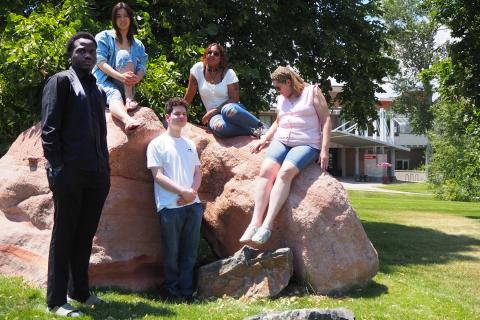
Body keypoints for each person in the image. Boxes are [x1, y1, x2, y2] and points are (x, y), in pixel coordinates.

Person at [41, 31, 110, 317]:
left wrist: (104, 168)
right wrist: (58, 167)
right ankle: (56, 300)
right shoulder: (60, 81)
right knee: (65, 233)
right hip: (69, 172)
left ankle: (80, 291)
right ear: (71, 54)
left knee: (85, 235)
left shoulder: (96, 88)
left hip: (96, 174)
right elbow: (49, 129)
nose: (87, 55)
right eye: (81, 50)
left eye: (92, 51)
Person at [239, 66, 332, 245]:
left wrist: (325, 149)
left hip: (306, 142)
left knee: (285, 173)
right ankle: (254, 223)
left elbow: (326, 120)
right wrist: (264, 139)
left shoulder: (313, 92)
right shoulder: (281, 98)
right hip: (282, 140)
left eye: (278, 87)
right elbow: (278, 121)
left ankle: (267, 225)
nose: (277, 91)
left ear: (288, 82)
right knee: (266, 170)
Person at [146, 97, 203, 301]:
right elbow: (158, 176)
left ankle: (187, 293)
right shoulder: (156, 144)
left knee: (190, 253)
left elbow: (198, 172)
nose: (181, 117)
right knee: (171, 254)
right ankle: (171, 292)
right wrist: (183, 192)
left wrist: (192, 194)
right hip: (170, 206)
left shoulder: (189, 144)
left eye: (184, 114)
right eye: (177, 113)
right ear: (167, 117)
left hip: (193, 206)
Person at [184, 43, 264, 138]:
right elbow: (190, 94)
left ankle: (261, 128)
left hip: (231, 109)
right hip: (214, 118)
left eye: (216, 53)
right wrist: (179, 113)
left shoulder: (229, 73)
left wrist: (214, 111)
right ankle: (250, 131)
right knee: (220, 127)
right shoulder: (198, 69)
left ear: (221, 58)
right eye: (209, 52)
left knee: (229, 110)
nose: (212, 55)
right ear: (205, 55)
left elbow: (234, 99)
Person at [93, 2, 148, 131]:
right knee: (114, 93)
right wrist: (120, 76)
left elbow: (142, 66)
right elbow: (100, 62)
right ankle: (127, 120)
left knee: (124, 55)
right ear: (114, 19)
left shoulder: (138, 44)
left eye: (125, 16)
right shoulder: (104, 37)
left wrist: (137, 78)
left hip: (127, 84)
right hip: (104, 82)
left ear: (130, 18)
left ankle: (129, 98)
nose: (122, 20)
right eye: (118, 16)